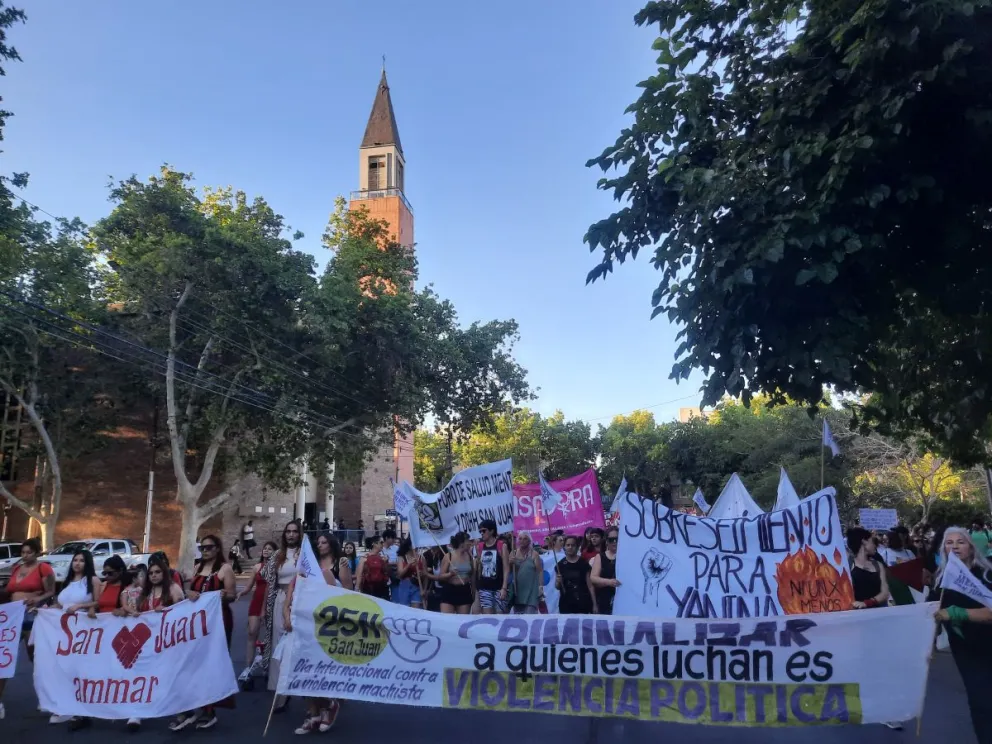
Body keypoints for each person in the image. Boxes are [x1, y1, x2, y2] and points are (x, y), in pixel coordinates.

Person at [169, 534, 236, 731]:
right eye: (203, 548)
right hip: (199, 622)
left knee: (212, 663)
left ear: (217, 548)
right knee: (195, 663)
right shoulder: (198, 568)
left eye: (209, 547)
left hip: (220, 620)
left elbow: (232, 595)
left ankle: (209, 711)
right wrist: (190, 593)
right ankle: (195, 706)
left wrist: (224, 595)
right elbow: (190, 593)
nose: (205, 551)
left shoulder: (225, 569)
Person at [284, 532, 350, 734]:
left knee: (319, 669)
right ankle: (313, 713)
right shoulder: (299, 576)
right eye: (318, 543)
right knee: (300, 669)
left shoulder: (334, 567)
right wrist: (287, 618)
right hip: (301, 628)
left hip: (325, 625)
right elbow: (289, 602)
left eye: (324, 542)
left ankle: (328, 705)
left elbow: (344, 595)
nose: (321, 545)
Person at [935, 526, 992, 743]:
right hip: (966, 652)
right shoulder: (942, 581)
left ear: (970, 548)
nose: (955, 546)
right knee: (981, 703)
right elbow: (932, 615)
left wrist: (957, 613)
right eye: (949, 542)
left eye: (961, 542)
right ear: (944, 549)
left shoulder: (986, 575)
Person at [47, 549, 101, 725]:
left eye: (82, 560)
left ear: (88, 563)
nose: (77, 563)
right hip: (62, 630)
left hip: (82, 629)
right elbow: (59, 603)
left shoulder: (92, 580)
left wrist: (80, 606)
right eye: (75, 560)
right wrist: (48, 609)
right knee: (62, 667)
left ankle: (81, 707)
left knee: (79, 668)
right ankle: (63, 704)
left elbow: (98, 602)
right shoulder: (67, 582)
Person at [259, 520, 303, 714]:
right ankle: (279, 692)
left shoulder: (306, 553)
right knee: (279, 645)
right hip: (279, 600)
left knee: (299, 645)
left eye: (294, 532)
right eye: (288, 532)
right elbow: (269, 583)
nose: (291, 535)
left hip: (301, 601)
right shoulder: (278, 555)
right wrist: (264, 608)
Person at [236, 540, 277, 689]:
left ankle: (269, 665)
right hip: (257, 600)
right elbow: (249, 586)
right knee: (252, 632)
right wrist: (241, 592)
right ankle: (248, 666)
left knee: (271, 635)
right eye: (265, 548)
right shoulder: (256, 567)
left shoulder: (276, 567)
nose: (266, 551)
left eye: (270, 549)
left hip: (271, 602)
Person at [556, 535, 597, 614]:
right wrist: (558, 582)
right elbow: (557, 587)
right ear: (564, 547)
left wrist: (594, 604)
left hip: (583, 603)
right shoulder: (560, 565)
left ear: (577, 547)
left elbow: (590, 586)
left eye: (573, 545)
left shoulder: (584, 563)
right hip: (566, 604)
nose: (570, 547)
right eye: (568, 545)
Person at [476, 520, 510, 614]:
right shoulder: (480, 546)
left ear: (491, 531)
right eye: (480, 531)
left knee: (500, 616)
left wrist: (504, 587)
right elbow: (480, 567)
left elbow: (506, 568)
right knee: (487, 618)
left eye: (484, 531)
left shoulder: (501, 546)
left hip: (499, 587)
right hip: (484, 587)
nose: (482, 533)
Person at [438, 532, 475, 614]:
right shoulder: (448, 556)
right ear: (462, 543)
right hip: (449, 590)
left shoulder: (469, 556)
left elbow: (472, 575)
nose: (470, 543)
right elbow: (440, 576)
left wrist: (474, 593)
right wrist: (450, 574)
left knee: (462, 621)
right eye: (468, 541)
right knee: (447, 620)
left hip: (464, 591)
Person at [509, 531, 543, 614]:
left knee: (530, 617)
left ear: (529, 541)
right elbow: (508, 571)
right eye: (520, 539)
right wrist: (510, 563)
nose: (522, 541)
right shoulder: (513, 554)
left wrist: (540, 587)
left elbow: (540, 572)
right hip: (517, 591)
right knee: (519, 620)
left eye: (525, 539)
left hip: (531, 592)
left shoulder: (534, 554)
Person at [590, 527, 621, 614]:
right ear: (607, 541)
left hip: (625, 599)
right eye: (611, 540)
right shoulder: (600, 557)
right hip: (606, 599)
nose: (615, 542)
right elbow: (593, 578)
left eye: (617, 539)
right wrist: (609, 582)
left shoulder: (627, 556)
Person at [395, 537, 427, 609]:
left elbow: (426, 575)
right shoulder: (401, 557)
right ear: (410, 546)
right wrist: (408, 565)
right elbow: (400, 575)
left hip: (417, 586)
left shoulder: (421, 558)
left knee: (416, 611)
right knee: (404, 610)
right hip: (404, 586)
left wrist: (424, 590)